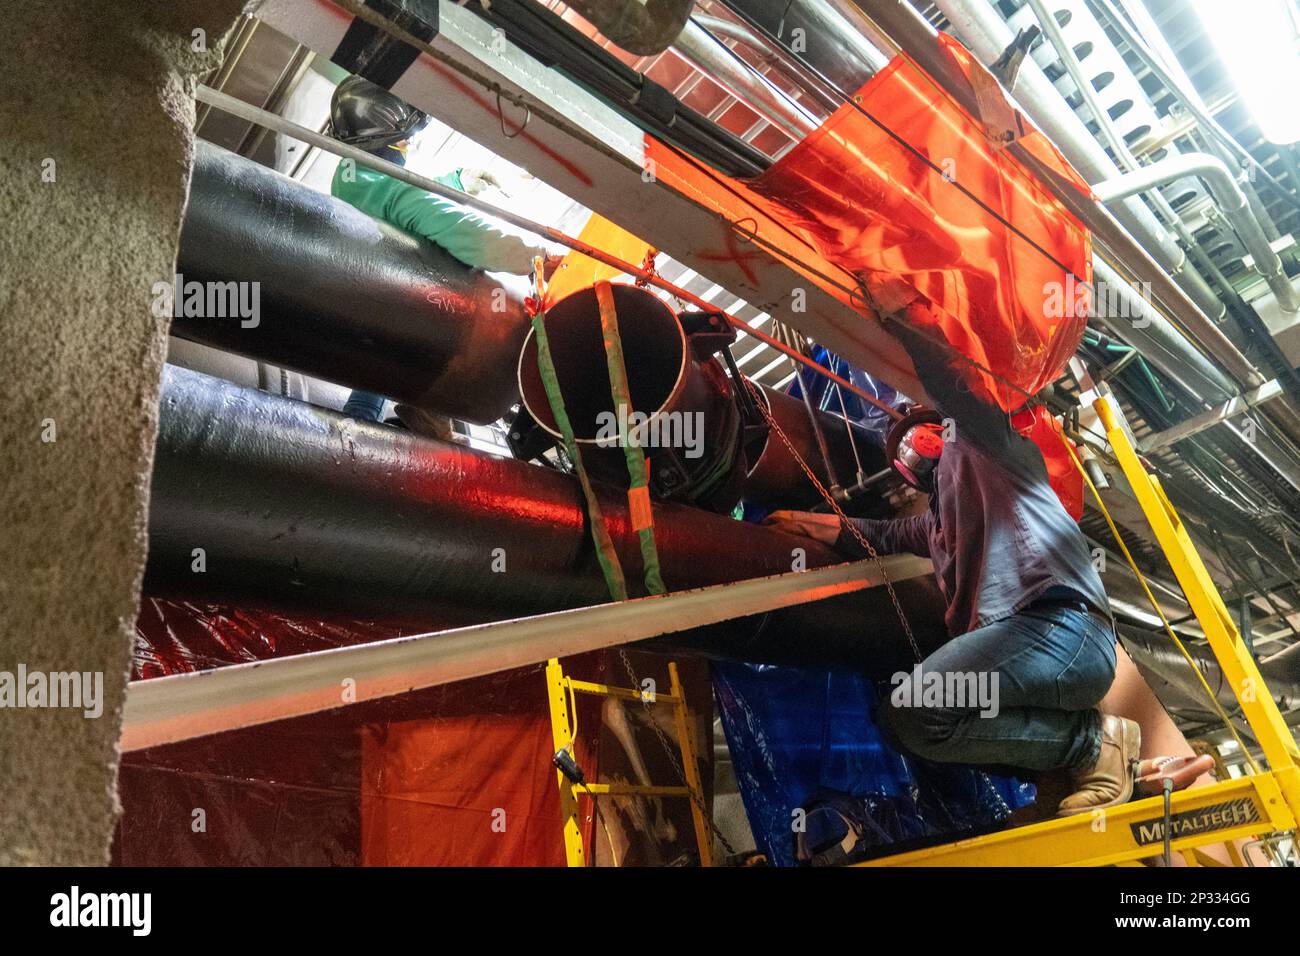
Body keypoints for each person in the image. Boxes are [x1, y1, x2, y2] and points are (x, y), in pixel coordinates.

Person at [765, 310, 1140, 816]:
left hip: (1060, 630)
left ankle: (1091, 745)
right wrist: (810, 524)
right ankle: (1081, 759)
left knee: (917, 709)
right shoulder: (940, 524)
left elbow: (954, 391)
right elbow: (881, 534)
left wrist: (903, 319)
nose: (915, 450)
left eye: (919, 434)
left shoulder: (991, 452)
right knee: (911, 724)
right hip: (1040, 652)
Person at [327, 75, 560, 421]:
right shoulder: (388, 188)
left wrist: (459, 180)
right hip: (404, 312)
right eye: (405, 141)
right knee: (404, 385)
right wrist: (537, 258)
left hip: (370, 311)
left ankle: (375, 429)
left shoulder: (351, 177)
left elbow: (405, 196)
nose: (408, 146)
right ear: (385, 140)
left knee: (373, 382)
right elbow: (469, 237)